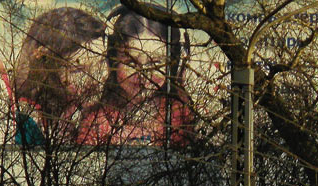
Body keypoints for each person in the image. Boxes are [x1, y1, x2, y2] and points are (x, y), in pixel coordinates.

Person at [76, 5, 193, 146]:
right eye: (131, 63)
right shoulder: (96, 120)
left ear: (172, 64)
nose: (143, 75)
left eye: (156, 63)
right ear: (113, 60)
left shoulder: (178, 114)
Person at [13, 7, 108, 144]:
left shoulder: (103, 115)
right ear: (49, 69)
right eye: (79, 70)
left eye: (101, 64)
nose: (96, 80)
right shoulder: (29, 119)